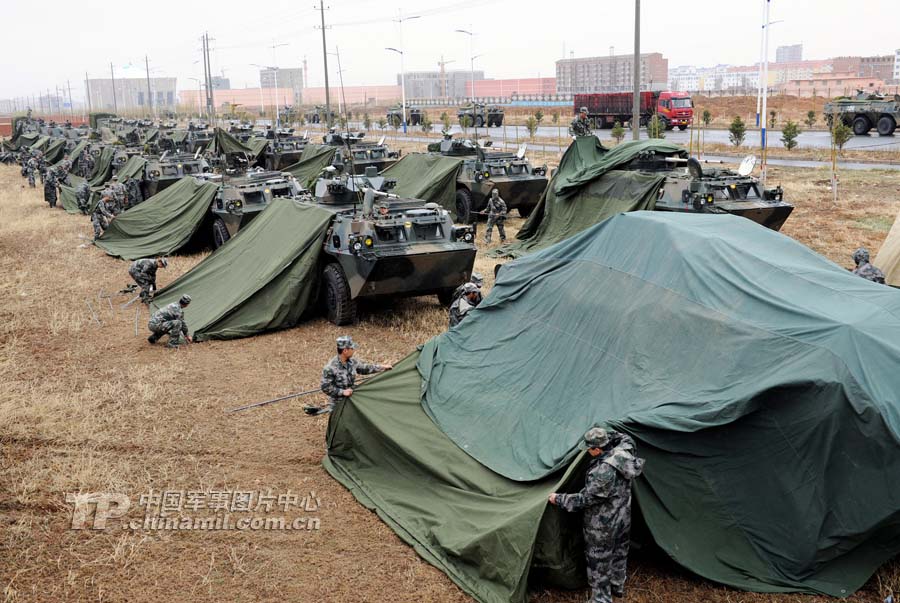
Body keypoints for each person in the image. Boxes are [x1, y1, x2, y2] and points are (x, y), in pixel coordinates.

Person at [548, 428, 645, 603]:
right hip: (622, 517)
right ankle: (617, 585)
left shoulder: (603, 471)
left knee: (598, 562)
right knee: (619, 551)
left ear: (597, 449)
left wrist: (558, 499)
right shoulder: (624, 451)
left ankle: (601, 599)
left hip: (602, 526)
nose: (588, 451)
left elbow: (584, 499)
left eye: (589, 448)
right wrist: (605, 432)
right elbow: (627, 438)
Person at [319, 336, 392, 412]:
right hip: (338, 404)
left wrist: (382, 367)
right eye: (352, 348)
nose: (353, 350)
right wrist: (342, 392)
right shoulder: (330, 368)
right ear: (345, 351)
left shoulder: (352, 362)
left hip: (352, 399)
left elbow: (364, 368)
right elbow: (325, 387)